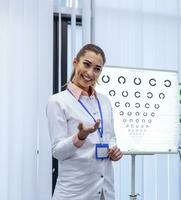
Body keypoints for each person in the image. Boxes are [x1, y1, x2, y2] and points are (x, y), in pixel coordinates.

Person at [46, 44, 123, 200]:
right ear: (75, 62)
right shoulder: (58, 101)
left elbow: (110, 137)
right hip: (75, 193)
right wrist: (79, 137)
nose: (90, 73)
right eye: (86, 64)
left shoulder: (105, 101)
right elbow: (58, 152)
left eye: (97, 69)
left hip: (105, 192)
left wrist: (113, 150)